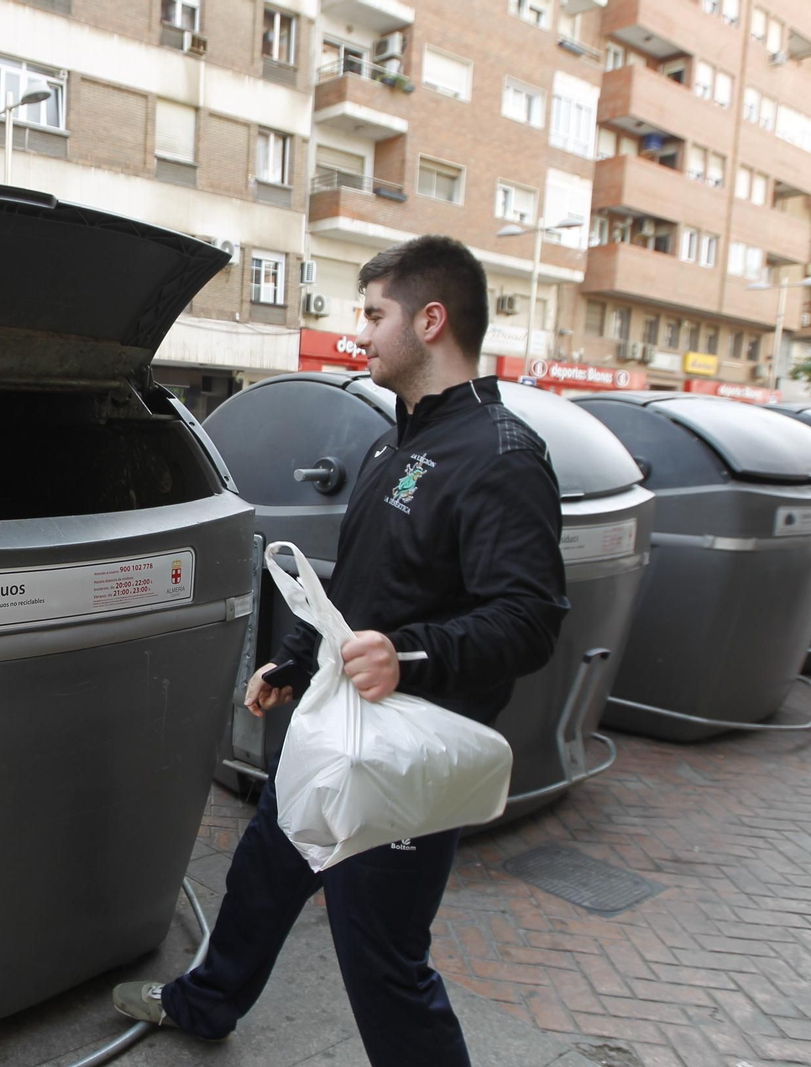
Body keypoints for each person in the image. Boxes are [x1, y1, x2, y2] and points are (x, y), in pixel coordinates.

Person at [113, 235, 570, 1066]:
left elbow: (530, 619)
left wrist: (410, 656)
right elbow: (359, 589)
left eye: (373, 313)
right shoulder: (390, 441)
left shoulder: (502, 456)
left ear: (431, 320)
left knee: (383, 959)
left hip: (399, 756)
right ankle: (206, 1002)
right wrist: (293, 662)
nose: (359, 333)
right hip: (334, 723)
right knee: (262, 871)